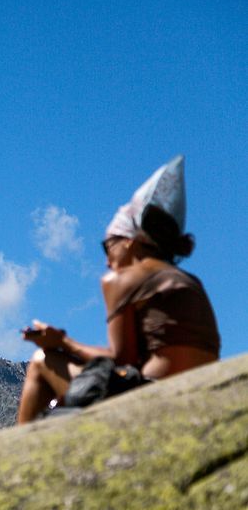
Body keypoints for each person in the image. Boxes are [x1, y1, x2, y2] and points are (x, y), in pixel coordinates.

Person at [17, 156, 220, 424]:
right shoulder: (191, 283)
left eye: (108, 246)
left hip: (151, 396)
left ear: (130, 241)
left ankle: (10, 460)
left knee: (41, 360)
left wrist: (62, 342)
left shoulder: (121, 280)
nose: (106, 260)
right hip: (202, 397)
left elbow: (122, 361)